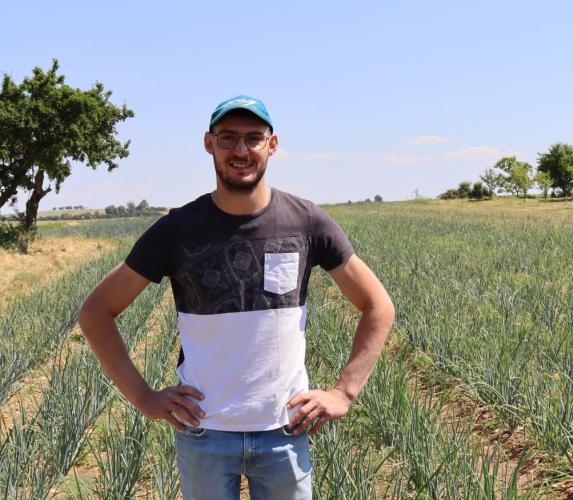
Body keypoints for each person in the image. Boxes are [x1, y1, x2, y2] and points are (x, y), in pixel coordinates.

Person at [77, 95, 395, 499]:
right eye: (228, 139)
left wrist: (344, 392)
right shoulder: (177, 229)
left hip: (284, 431)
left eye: (253, 139)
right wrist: (142, 396)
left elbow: (377, 306)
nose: (241, 151)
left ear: (272, 144)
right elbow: (96, 312)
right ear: (209, 144)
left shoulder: (306, 221)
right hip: (205, 434)